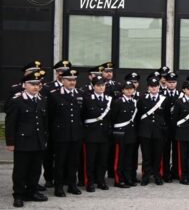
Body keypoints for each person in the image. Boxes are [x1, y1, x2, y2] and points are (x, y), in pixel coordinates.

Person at [6, 71, 49, 207]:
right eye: (32, 84)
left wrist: (45, 137)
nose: (36, 87)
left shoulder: (42, 99)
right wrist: (11, 142)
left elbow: (44, 121)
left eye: (38, 84)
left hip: (38, 140)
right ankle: (18, 195)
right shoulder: (17, 101)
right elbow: (10, 123)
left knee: (35, 169)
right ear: (24, 85)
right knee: (20, 170)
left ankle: (32, 191)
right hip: (22, 141)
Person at [47, 69, 83, 197]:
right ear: (62, 80)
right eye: (69, 80)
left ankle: (72, 185)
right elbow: (49, 116)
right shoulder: (54, 95)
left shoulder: (80, 93)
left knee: (74, 162)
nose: (72, 82)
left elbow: (82, 115)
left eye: (74, 80)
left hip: (76, 134)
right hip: (61, 134)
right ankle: (59, 187)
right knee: (60, 162)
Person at [81, 76, 113, 192]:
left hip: (104, 134)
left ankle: (101, 181)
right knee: (90, 160)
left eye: (103, 85)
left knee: (103, 160)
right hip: (91, 133)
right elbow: (83, 115)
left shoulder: (109, 99)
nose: (101, 87)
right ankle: (89, 182)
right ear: (93, 86)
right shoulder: (87, 99)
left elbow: (111, 117)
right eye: (98, 85)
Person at [137, 78, 168, 186]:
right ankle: (145, 176)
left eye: (156, 86)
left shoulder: (164, 99)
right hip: (145, 132)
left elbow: (167, 116)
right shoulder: (142, 98)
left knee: (157, 155)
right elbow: (138, 115)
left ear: (159, 87)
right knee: (146, 156)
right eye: (151, 86)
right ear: (148, 87)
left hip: (159, 132)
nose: (154, 88)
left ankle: (157, 175)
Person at [111, 80, 139, 188]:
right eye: (127, 89)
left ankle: (128, 178)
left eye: (131, 89)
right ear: (122, 90)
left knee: (128, 158)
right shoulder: (118, 102)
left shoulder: (134, 101)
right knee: (120, 158)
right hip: (120, 133)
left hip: (131, 133)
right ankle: (119, 180)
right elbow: (113, 118)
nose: (129, 91)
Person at [172, 81, 189, 185]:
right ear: (183, 90)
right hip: (182, 133)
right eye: (188, 89)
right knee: (182, 156)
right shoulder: (179, 102)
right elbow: (175, 118)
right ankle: (182, 176)